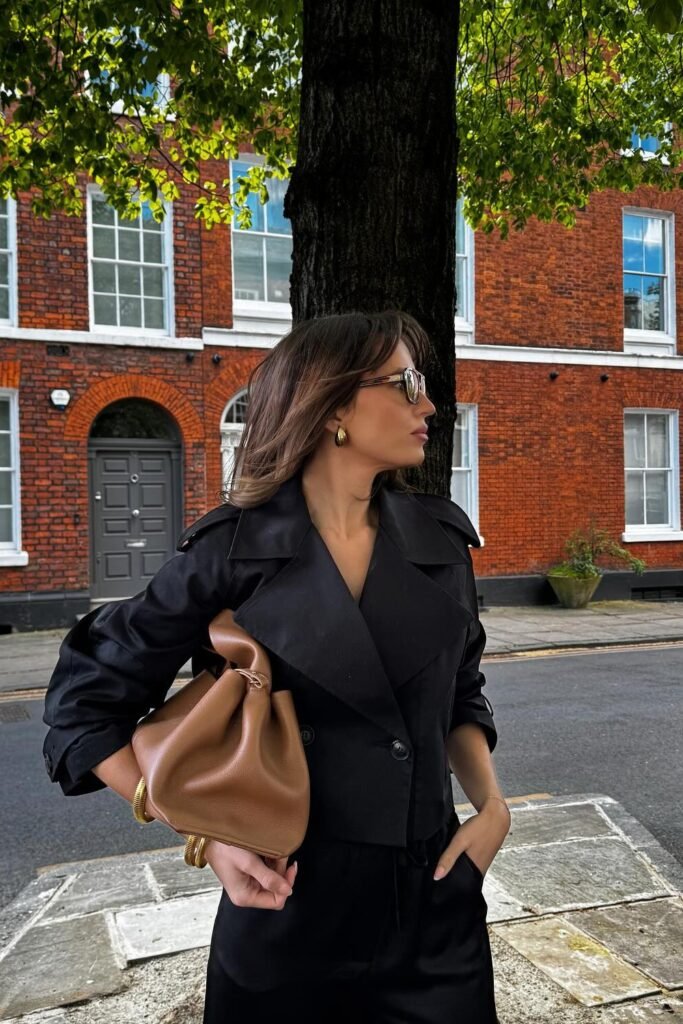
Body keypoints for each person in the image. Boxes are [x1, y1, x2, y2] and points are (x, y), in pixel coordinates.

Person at [43, 310, 511, 1023]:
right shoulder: (228, 552)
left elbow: (459, 694)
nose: (427, 403)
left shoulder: (439, 539)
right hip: (287, 905)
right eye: (404, 382)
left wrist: (493, 808)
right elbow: (85, 705)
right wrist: (206, 834)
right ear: (331, 409)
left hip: (432, 906)